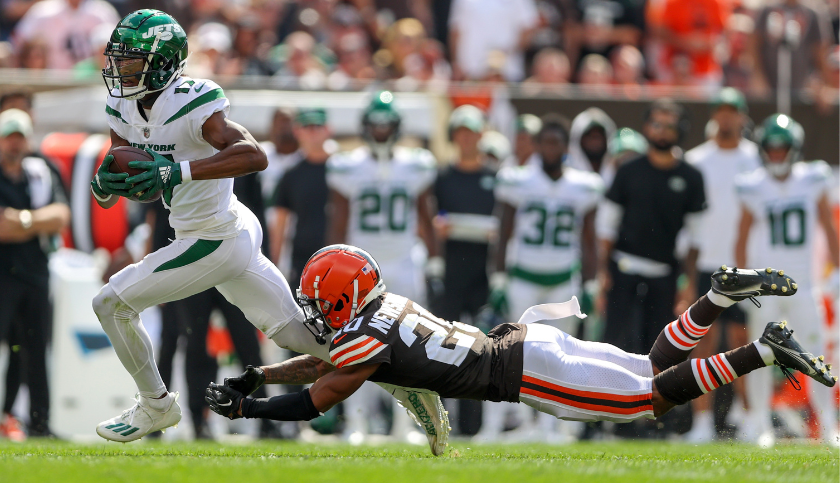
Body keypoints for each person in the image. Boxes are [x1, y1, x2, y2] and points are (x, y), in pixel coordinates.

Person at [88, 10, 449, 450]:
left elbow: (252, 155)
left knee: (110, 303)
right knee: (300, 335)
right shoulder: (122, 106)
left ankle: (156, 403)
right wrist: (106, 187)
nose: (118, 70)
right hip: (218, 232)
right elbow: (129, 180)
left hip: (214, 234)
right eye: (118, 59)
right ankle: (409, 380)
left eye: (130, 61)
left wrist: (175, 173)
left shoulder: (192, 100)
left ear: (162, 62)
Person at [204, 245, 836, 455]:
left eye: (318, 299)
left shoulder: (364, 338)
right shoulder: (383, 310)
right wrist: (256, 374)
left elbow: (318, 399)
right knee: (648, 367)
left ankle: (762, 351)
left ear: (342, 297)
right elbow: (328, 364)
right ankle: (717, 301)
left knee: (646, 402)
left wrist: (247, 411)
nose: (312, 310)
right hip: (528, 338)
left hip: (525, 373)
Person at [326, 90, 438, 442]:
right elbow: (339, 221)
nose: (380, 130)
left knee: (409, 345)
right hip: (361, 268)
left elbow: (426, 217)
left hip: (404, 261)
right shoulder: (347, 165)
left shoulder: (416, 164)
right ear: (364, 127)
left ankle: (406, 424)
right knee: (355, 345)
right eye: (375, 125)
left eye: (386, 124)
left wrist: (434, 263)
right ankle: (358, 423)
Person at [488, 115, 601, 441]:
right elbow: (503, 233)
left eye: (557, 142)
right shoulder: (517, 180)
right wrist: (498, 279)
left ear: (566, 147)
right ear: (537, 146)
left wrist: (591, 283)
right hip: (523, 278)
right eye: (546, 142)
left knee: (561, 355)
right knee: (519, 354)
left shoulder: (584, 185)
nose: (551, 148)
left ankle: (554, 424)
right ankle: (525, 422)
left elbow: (589, 240)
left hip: (564, 281)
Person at [734, 114, 840, 446]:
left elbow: (828, 225)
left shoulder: (814, 178)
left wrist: (837, 269)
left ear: (793, 149)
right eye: (772, 149)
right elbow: (742, 237)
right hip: (765, 285)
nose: (777, 154)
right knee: (761, 353)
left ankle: (827, 425)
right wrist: (742, 281)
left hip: (805, 283)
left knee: (816, 354)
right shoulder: (752, 184)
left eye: (782, 149)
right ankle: (760, 424)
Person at [597, 100, 706, 356]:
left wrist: (687, 280)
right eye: (657, 124)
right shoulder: (627, 171)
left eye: (670, 125)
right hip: (623, 272)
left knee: (656, 353)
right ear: (646, 127)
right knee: (613, 347)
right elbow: (607, 225)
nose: (663, 131)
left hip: (665, 277)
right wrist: (603, 271)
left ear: (682, 128)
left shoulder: (692, 177)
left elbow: (695, 236)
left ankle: (646, 398)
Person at [683, 88, 761, 443]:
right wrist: (688, 273)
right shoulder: (697, 159)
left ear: (743, 116)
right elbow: (690, 221)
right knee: (704, 342)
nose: (727, 118)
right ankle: (702, 423)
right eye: (722, 111)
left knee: (743, 343)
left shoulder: (756, 159)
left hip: (747, 266)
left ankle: (747, 417)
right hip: (708, 264)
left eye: (733, 111)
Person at [0, 108, 70, 437]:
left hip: (35, 272)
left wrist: (21, 220)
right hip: (2, 274)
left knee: (36, 349)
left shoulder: (41, 171)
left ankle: (39, 423)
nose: (14, 144)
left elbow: (60, 215)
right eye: (8, 137)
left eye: (19, 137)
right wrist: (36, 221)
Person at [431, 106, 497, 435]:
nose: (467, 138)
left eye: (472, 132)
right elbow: (432, 218)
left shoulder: (496, 177)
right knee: (445, 345)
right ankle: (444, 420)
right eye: (461, 132)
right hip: (452, 270)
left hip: (482, 272)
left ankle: (478, 425)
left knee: (484, 346)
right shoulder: (443, 176)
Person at [13, 0, 119, 69]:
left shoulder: (102, 12)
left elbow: (122, 44)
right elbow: (19, 40)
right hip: (51, 78)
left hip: (93, 79)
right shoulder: (44, 12)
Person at [271, 108, 332, 289]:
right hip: (304, 258)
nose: (313, 132)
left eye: (318, 126)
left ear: (328, 129)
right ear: (297, 131)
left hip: (341, 254)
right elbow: (281, 220)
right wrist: (273, 263)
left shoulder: (343, 170)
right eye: (307, 126)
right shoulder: (291, 174)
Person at [567, 107, 617, 187]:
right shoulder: (566, 171)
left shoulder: (617, 171)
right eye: (590, 137)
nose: (595, 142)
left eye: (598, 137)